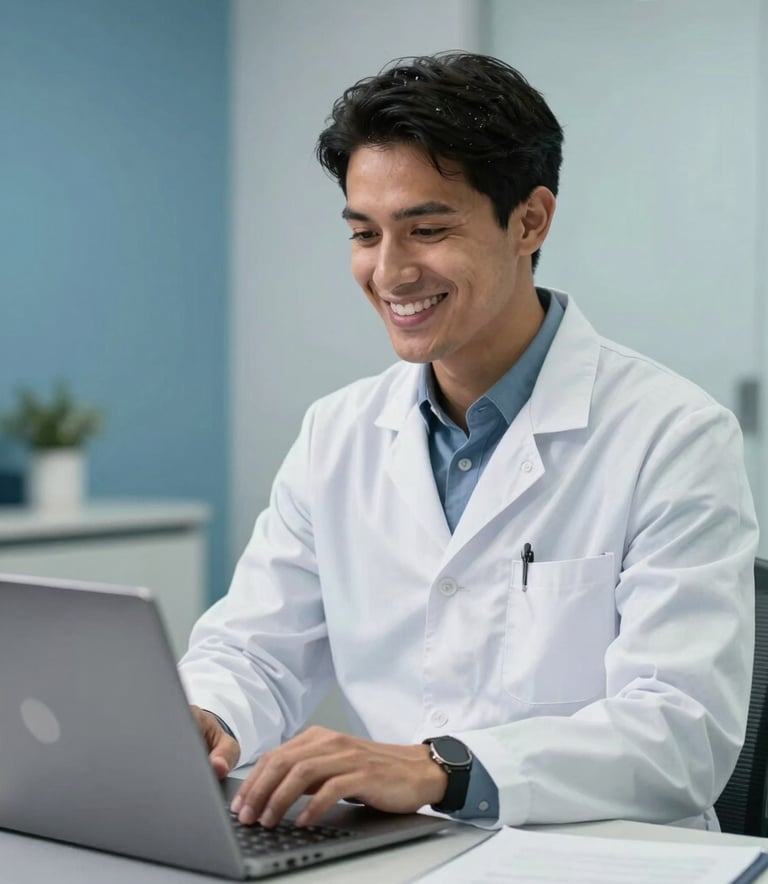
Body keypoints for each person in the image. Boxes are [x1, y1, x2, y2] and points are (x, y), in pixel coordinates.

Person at [178, 51, 758, 832]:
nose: (389, 272)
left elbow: (680, 736)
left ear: (530, 220)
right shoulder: (336, 434)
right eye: (363, 233)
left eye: (427, 229)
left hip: (600, 862)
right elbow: (256, 648)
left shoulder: (672, 435)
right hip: (396, 853)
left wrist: (439, 768)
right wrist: (208, 714)